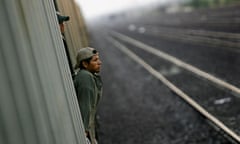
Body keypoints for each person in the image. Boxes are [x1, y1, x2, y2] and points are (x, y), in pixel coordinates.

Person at [73, 47, 103, 144]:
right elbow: (85, 105)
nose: (100, 62)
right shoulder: (85, 78)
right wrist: (84, 132)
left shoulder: (86, 75)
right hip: (84, 130)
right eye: (95, 60)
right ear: (85, 64)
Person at [56, 12, 75, 76]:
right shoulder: (57, 41)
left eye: (62, 23)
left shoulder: (61, 38)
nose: (63, 25)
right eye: (60, 23)